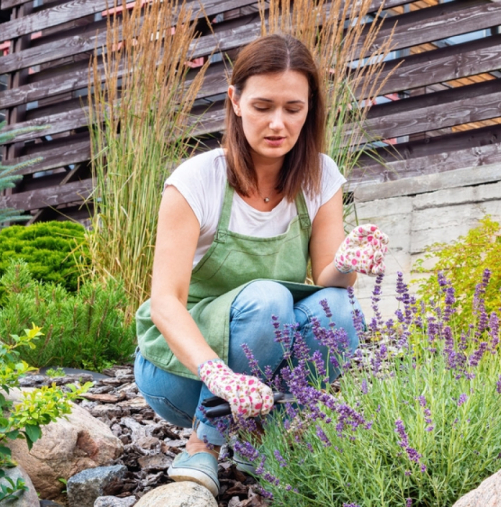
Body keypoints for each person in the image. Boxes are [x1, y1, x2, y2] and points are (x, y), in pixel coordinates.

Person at [133, 34, 388, 496]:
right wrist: (219, 375)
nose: (278, 123)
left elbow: (330, 280)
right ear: (235, 101)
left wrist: (348, 261)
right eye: (263, 106)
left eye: (293, 108)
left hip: (259, 374)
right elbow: (164, 303)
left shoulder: (320, 175)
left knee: (341, 308)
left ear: (310, 107)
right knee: (269, 299)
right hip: (182, 373)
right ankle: (202, 446)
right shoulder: (197, 180)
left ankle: (267, 437)